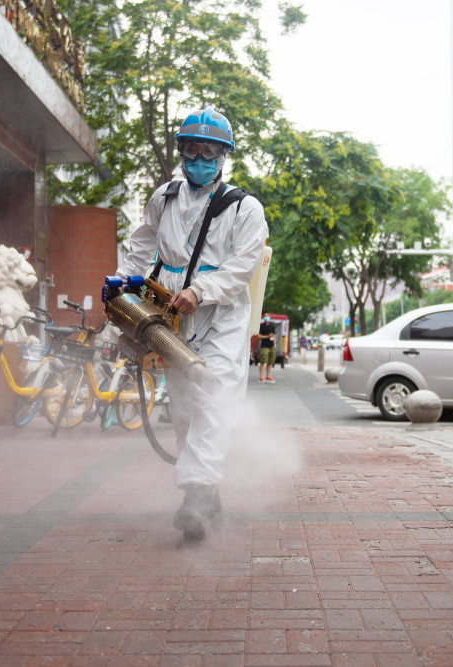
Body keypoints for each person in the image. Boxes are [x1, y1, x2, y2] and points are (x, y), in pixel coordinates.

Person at [116, 107, 269, 541]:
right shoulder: (164, 197)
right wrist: (122, 290)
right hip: (171, 316)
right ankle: (207, 488)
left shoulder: (245, 208)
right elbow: (141, 246)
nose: (199, 160)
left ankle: (196, 498)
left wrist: (200, 290)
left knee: (213, 400)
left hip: (220, 318)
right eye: (191, 150)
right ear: (181, 152)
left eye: (209, 153)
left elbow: (242, 266)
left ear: (223, 157)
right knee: (184, 405)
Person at [257, 312, 276, 383]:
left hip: (271, 346)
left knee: (270, 362)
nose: (267, 317)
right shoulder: (261, 326)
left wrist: (274, 344)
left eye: (268, 315)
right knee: (263, 361)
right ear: (263, 317)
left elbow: (273, 335)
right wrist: (267, 336)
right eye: (265, 316)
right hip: (264, 346)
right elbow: (258, 336)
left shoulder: (272, 325)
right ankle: (262, 376)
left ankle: (268, 376)